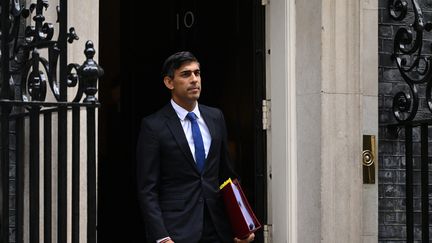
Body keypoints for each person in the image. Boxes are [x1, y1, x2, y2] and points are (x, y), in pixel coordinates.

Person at [136, 51, 255, 243]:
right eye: (186, 74)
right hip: (177, 232)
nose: (194, 79)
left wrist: (242, 224)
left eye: (197, 73)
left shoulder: (216, 117)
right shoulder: (153, 126)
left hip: (218, 229)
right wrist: (162, 237)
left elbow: (227, 176)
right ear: (169, 82)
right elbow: (147, 189)